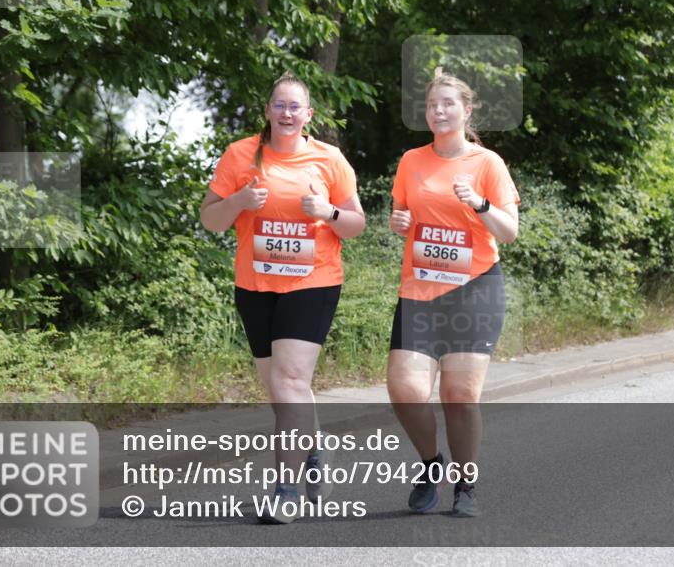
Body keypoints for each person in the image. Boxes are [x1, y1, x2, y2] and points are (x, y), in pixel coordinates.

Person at [200, 71, 365, 522]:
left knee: (291, 382)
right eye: (279, 105)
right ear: (268, 111)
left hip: (313, 282)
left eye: (295, 107)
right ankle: (313, 454)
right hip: (255, 285)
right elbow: (211, 219)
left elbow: (356, 224)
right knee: (279, 390)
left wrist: (328, 212)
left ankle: (286, 491)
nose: (287, 113)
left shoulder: (329, 160)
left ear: (308, 114)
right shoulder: (240, 155)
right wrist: (238, 203)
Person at [387, 68, 520, 517]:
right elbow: (400, 213)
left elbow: (510, 232)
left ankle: (466, 486)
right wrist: (398, 222)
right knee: (405, 389)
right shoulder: (411, 160)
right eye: (431, 105)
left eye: (447, 104)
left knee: (460, 395)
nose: (438, 111)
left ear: (466, 110)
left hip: (473, 288)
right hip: (420, 289)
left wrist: (480, 205)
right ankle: (431, 465)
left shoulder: (487, 163)